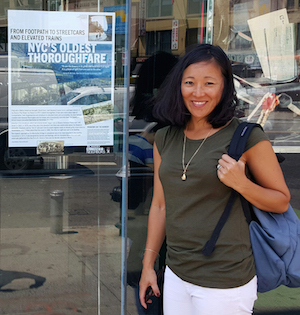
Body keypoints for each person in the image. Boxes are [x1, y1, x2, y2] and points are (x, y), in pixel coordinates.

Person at [138, 44, 291, 315]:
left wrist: (241, 183)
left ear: (224, 88)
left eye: (209, 83)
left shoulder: (246, 137)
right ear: (178, 86)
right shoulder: (164, 138)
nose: (198, 93)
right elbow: (161, 205)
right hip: (176, 274)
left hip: (226, 281)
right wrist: (149, 265)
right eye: (190, 83)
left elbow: (280, 201)